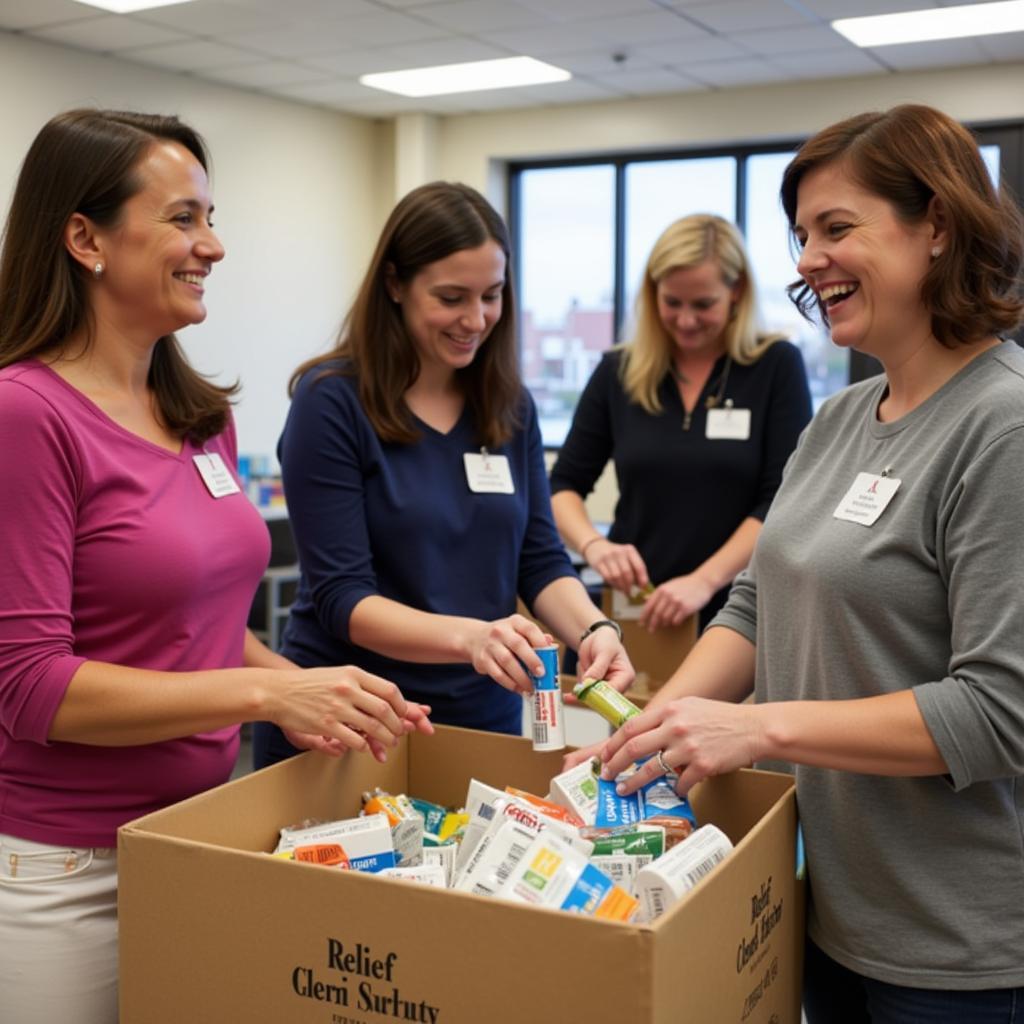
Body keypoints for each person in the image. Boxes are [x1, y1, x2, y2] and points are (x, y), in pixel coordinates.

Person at [587, 105, 1024, 1021]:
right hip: (825, 902)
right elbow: (755, 607)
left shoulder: (1003, 426)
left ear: (937, 226)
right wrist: (659, 731)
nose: (807, 259)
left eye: (837, 228)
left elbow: (998, 713)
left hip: (953, 943)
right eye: (801, 235)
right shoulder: (838, 422)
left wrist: (760, 731)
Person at [0, 109, 430, 1024]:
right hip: (68, 873)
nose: (215, 246)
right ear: (85, 238)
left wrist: (323, 692)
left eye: (212, 216)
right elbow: (34, 688)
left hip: (200, 830)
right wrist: (268, 700)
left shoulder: (199, 416)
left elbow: (198, 634)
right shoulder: (25, 416)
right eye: (184, 219)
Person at [253, 181, 635, 769]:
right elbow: (342, 598)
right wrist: (473, 638)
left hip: (483, 719)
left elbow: (538, 560)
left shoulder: (510, 407)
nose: (476, 319)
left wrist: (593, 630)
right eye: (452, 297)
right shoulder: (331, 402)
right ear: (395, 285)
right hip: (357, 722)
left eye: (492, 295)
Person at [549, 214, 812, 633]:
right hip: (638, 605)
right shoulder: (619, 370)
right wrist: (593, 545)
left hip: (738, 608)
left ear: (737, 291)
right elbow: (562, 485)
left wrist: (704, 581)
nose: (686, 320)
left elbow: (782, 500)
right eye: (673, 302)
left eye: (703, 304)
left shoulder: (775, 366)